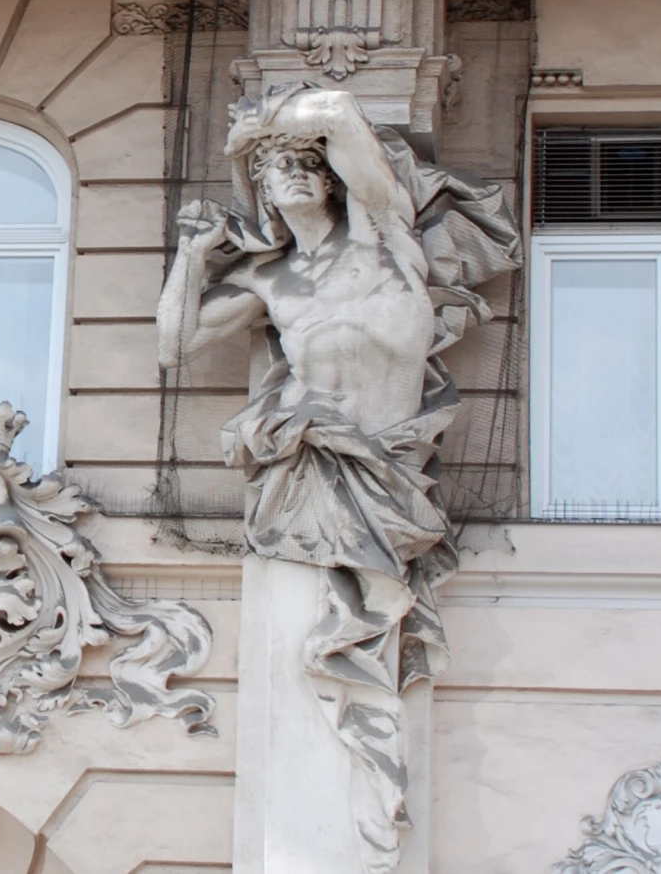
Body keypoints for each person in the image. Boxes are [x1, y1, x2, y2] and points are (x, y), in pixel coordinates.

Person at [156, 86, 515, 873]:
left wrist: (261, 125)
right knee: (331, 645)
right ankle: (357, 814)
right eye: (271, 170)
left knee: (373, 633)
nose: (284, 175)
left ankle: (370, 811)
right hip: (314, 475)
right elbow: (173, 345)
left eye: (298, 166)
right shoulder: (272, 284)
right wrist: (193, 253)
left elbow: (338, 114)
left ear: (329, 179)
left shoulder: (385, 238)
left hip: (392, 468)